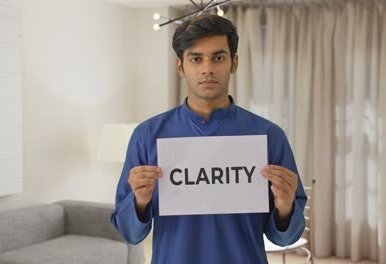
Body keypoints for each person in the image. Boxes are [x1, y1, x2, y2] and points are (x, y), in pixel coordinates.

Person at [111, 14, 307, 264]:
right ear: (180, 66)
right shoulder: (147, 135)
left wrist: (286, 205)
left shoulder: (268, 135)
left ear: (234, 62)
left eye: (218, 57)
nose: (207, 68)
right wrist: (139, 202)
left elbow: (285, 239)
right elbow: (129, 233)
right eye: (196, 58)